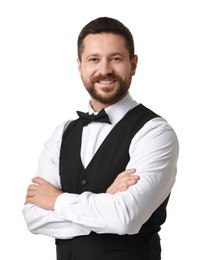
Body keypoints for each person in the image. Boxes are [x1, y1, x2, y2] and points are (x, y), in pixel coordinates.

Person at [22, 17, 179, 260]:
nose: (104, 70)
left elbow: (126, 218)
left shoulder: (155, 132)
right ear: (80, 65)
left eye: (115, 59)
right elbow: (33, 217)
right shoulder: (62, 134)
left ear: (133, 64)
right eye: (94, 59)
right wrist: (106, 203)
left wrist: (57, 200)